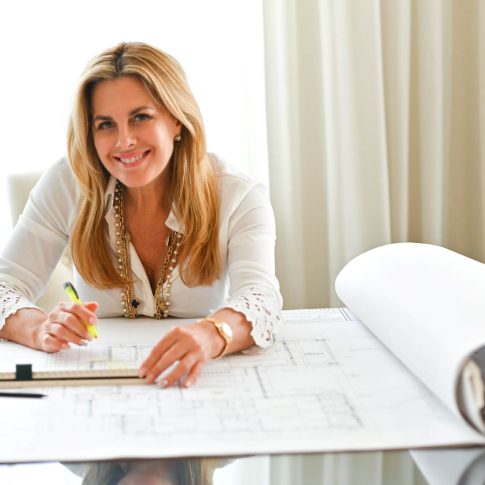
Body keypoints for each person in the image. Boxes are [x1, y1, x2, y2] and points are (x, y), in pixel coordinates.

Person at [0, 42, 282, 388]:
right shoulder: (66, 184)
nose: (124, 141)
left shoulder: (239, 194)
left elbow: (262, 298)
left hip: (199, 381)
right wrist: (38, 326)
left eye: (141, 117)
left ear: (177, 120)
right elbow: (4, 285)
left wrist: (212, 334)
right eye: (105, 124)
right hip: (100, 383)